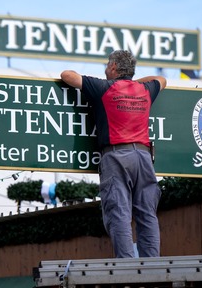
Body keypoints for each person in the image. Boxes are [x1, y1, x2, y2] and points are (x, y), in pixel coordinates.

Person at [61, 50, 167, 258]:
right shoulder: (146, 89)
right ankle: (152, 264)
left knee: (119, 212)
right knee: (147, 214)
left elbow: (67, 75)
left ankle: (127, 265)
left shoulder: (102, 87)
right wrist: (135, 82)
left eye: (107, 64)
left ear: (113, 67)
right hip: (144, 157)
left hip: (116, 156)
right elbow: (162, 79)